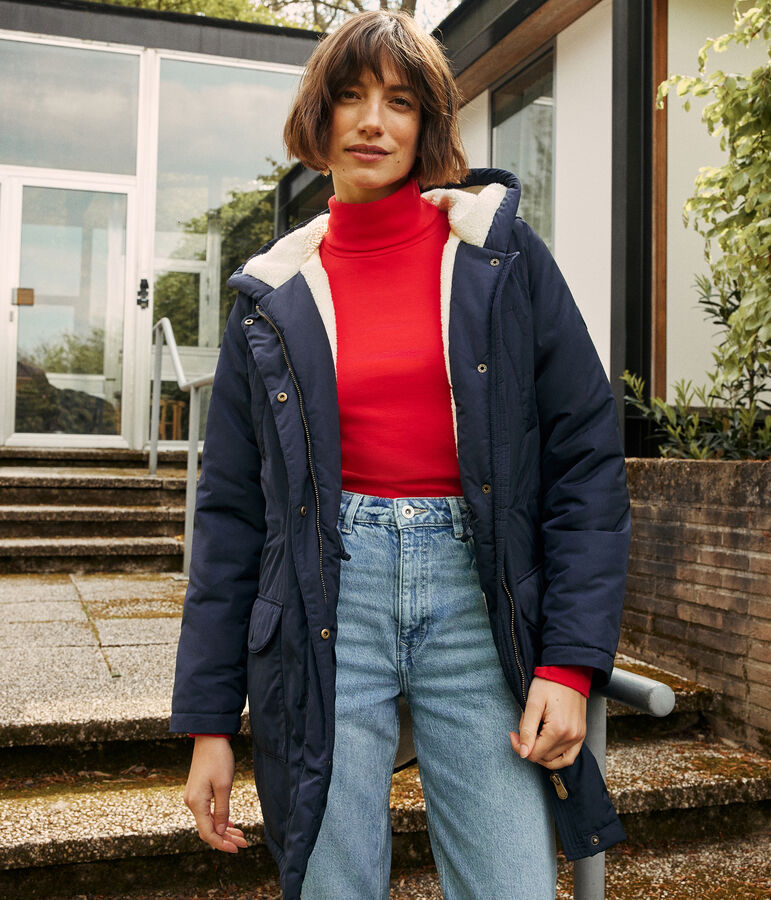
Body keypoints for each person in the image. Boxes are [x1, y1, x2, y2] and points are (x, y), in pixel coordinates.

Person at [171, 10, 631, 900]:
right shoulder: (272, 296)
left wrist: (570, 667)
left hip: (476, 598)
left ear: (428, 125)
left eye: (399, 101)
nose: (372, 121)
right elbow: (230, 515)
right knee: (332, 882)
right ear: (320, 119)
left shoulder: (498, 258)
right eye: (349, 98)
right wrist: (206, 721)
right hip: (325, 598)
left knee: (512, 883)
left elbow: (584, 462)